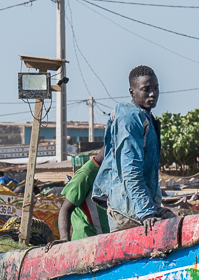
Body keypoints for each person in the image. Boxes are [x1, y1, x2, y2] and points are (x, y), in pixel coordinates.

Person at [92, 66, 170, 229]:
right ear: (132, 91)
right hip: (129, 211)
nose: (153, 94)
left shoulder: (144, 116)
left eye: (156, 88)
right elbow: (130, 169)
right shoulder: (129, 119)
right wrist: (146, 211)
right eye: (146, 89)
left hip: (140, 207)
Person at [57, 151, 108, 240]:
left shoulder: (113, 172)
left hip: (108, 239)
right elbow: (65, 209)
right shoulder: (86, 174)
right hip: (87, 241)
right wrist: (64, 239)